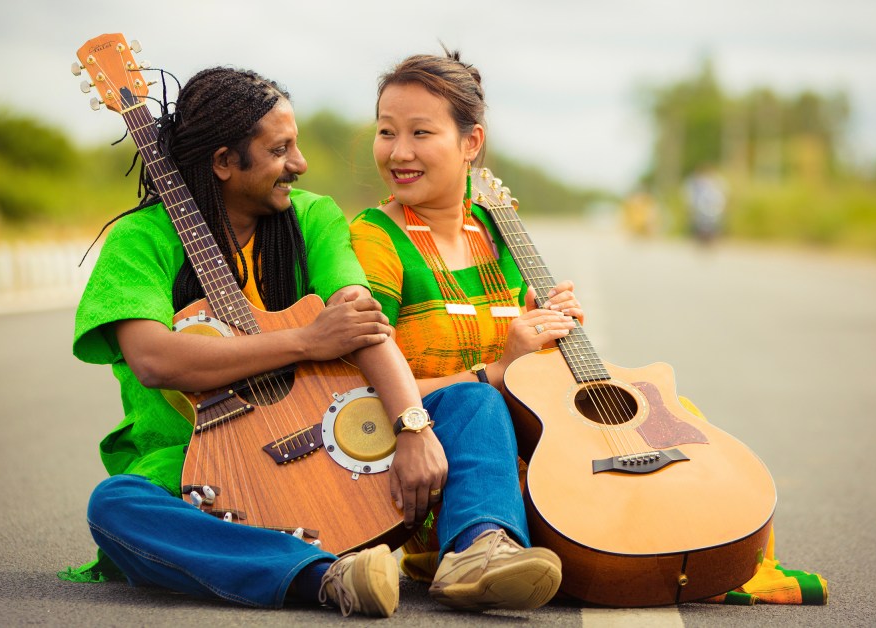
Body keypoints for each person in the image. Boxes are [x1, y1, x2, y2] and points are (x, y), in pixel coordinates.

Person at [60, 66, 556, 616]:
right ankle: (322, 577)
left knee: (473, 400)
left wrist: (412, 426)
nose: (299, 164)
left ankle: (481, 547)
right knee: (116, 506)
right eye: (280, 150)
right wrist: (304, 341)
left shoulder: (313, 217)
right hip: (195, 464)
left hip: (334, 434)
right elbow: (154, 359)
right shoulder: (138, 240)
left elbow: (362, 323)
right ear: (224, 162)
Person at [351, 49, 827, 606]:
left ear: (471, 144)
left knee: (677, 421)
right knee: (480, 408)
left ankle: (703, 544)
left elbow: (530, 370)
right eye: (387, 132)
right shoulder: (374, 239)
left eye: (420, 133)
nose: (398, 152)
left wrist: (552, 334)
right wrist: (499, 371)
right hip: (431, 455)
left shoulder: (495, 231)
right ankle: (482, 547)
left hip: (524, 443)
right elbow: (356, 393)